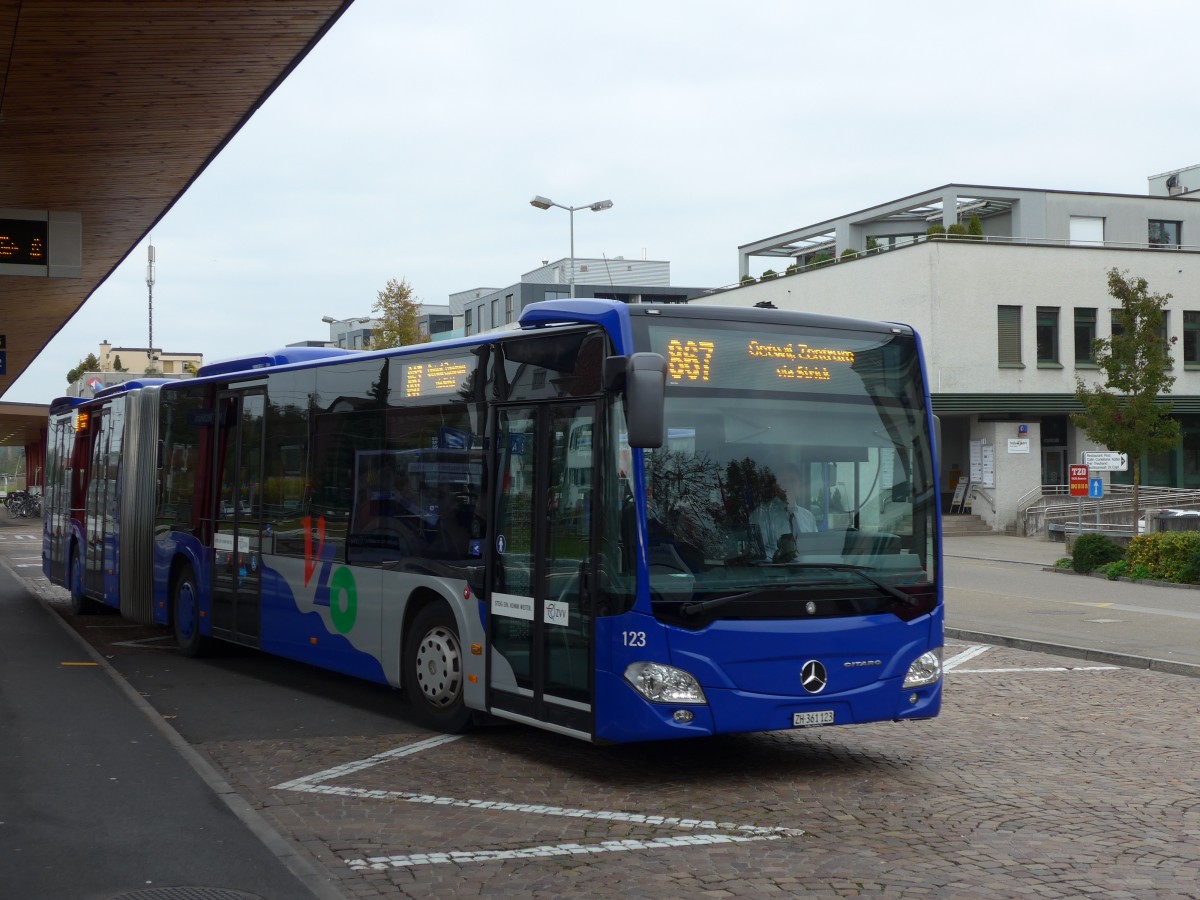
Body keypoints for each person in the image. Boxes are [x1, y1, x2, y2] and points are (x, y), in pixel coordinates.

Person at [750, 463, 817, 562]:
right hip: (774, 573)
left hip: (806, 572)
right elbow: (759, 553)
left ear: (799, 485)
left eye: (793, 481)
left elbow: (815, 548)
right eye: (783, 481)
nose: (788, 486)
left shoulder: (808, 516)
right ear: (776, 486)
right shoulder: (761, 515)